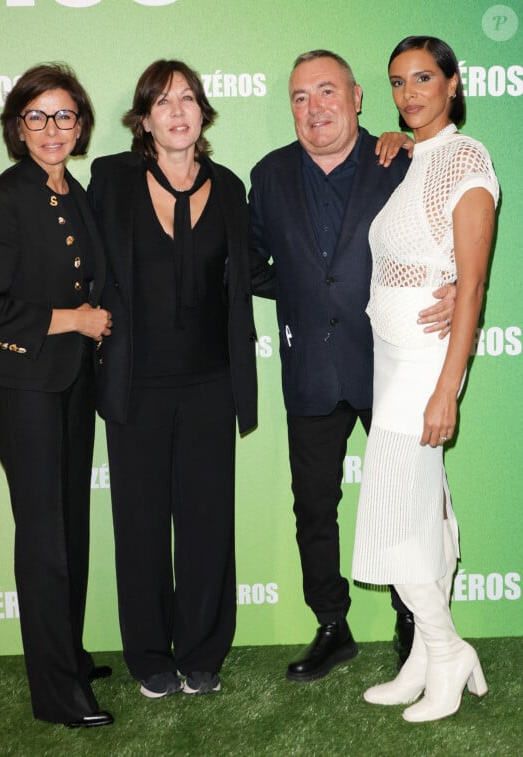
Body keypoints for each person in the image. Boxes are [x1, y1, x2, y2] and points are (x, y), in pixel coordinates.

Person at [249, 49, 456, 682]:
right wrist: (302, 294)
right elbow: (255, 261)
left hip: (391, 362)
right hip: (310, 365)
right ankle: (331, 625)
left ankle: (415, 617)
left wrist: (450, 284)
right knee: (313, 506)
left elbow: (445, 238)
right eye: (300, 97)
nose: (314, 108)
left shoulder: (399, 161)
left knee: (407, 499)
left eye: (326, 92)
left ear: (358, 96)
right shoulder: (269, 173)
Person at [88, 59, 257, 699]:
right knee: (139, 524)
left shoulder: (232, 187)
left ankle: (205, 650)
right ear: (143, 119)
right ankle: (150, 656)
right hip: (136, 383)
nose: (177, 111)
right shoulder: (112, 178)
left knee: (209, 521)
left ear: (203, 113)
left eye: (187, 98)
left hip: (212, 382)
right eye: (162, 102)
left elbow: (253, 271)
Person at [352, 36, 499, 722]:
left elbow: (471, 288)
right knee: (420, 506)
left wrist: (449, 384)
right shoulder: (414, 155)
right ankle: (421, 659)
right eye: (398, 82)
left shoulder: (468, 160)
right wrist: (399, 142)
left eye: (422, 78)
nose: (410, 93)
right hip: (390, 352)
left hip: (425, 362)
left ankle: (445, 651)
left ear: (452, 81)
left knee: (394, 507)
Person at [0, 65, 114, 727]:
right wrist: (74, 318)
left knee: (71, 529)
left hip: (73, 380)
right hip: (24, 384)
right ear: (17, 125)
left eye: (64, 116)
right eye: (38, 116)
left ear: (79, 125)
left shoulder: (73, 191)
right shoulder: (4, 197)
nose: (52, 129)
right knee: (45, 536)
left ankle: (69, 657)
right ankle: (55, 693)